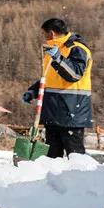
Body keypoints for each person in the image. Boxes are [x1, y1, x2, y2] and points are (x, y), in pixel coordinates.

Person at [22, 18, 93, 158]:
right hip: (53, 112)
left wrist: (58, 59)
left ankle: (79, 179)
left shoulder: (77, 49)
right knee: (52, 158)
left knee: (75, 156)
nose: (44, 37)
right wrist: (33, 91)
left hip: (72, 113)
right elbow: (49, 77)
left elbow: (74, 74)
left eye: (44, 34)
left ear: (52, 33)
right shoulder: (55, 52)